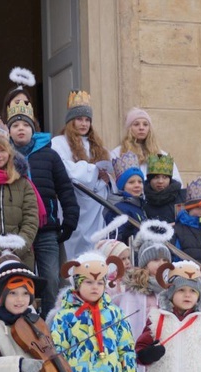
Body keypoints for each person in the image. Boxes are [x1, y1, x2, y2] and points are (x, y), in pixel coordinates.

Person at [5, 79, 80, 317]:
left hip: (46, 228)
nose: (20, 129)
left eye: (24, 125)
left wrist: (70, 220)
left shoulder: (49, 155)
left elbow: (65, 189)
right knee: (20, 279)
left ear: (32, 129)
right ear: (9, 131)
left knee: (50, 279)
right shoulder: (2, 156)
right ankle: (22, 323)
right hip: (17, 230)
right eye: (15, 125)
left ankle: (49, 324)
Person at [112, 220, 174, 372]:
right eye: (154, 259)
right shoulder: (135, 290)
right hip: (143, 354)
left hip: (167, 353)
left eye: (163, 259)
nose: (159, 264)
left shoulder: (172, 288)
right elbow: (128, 320)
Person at [51, 90, 112, 259]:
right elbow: (64, 168)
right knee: (75, 252)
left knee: (96, 248)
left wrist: (106, 177)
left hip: (96, 204)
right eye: (79, 119)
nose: (84, 123)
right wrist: (93, 171)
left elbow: (109, 170)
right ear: (71, 121)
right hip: (74, 200)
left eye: (87, 120)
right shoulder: (58, 143)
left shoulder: (98, 146)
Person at [0, 120, 40, 269]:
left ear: (10, 153)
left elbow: (31, 219)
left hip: (21, 256)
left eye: (2, 150)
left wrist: (17, 248)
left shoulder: (23, 184)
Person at [110, 107, 182, 184]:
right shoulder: (117, 154)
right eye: (136, 124)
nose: (141, 128)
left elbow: (177, 181)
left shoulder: (162, 155)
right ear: (129, 128)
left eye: (145, 124)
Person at [104, 151, 147, 244]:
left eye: (140, 182)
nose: (137, 185)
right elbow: (115, 238)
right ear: (122, 186)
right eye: (131, 182)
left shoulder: (139, 205)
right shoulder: (118, 208)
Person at [143, 154, 185, 225]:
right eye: (156, 177)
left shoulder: (182, 197)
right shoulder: (143, 200)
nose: (160, 181)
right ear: (150, 180)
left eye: (165, 177)